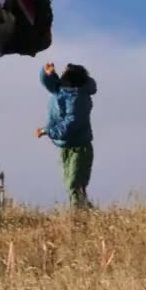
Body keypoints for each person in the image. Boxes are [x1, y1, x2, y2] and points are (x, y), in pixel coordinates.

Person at [35, 62, 97, 209]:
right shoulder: (61, 90)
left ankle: (79, 218)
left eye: (64, 73)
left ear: (71, 79)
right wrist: (47, 73)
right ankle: (88, 214)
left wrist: (47, 131)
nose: (61, 75)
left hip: (80, 149)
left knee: (74, 184)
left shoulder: (78, 99)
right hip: (66, 147)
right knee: (71, 185)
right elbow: (49, 83)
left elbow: (71, 123)